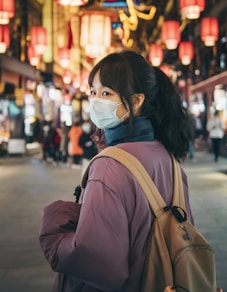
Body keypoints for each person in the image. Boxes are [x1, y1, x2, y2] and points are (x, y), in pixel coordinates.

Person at [39, 51, 194, 291]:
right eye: (93, 92)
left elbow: (97, 263)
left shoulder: (109, 165)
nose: (95, 101)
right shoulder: (167, 156)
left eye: (106, 93)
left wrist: (54, 230)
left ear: (135, 101)